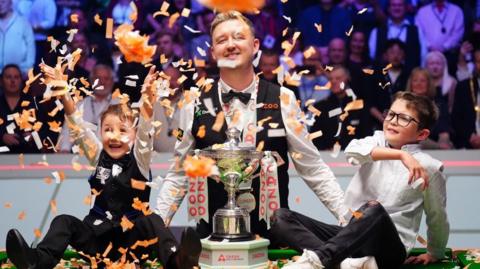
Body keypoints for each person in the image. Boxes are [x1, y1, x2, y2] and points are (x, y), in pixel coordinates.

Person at [155, 11, 348, 239]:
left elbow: (312, 167)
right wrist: (155, 226)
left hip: (273, 240)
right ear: (213, 52)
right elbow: (179, 174)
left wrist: (348, 217)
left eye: (238, 37)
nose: (230, 45)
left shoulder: (284, 98)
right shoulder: (194, 102)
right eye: (221, 40)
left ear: (255, 45)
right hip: (211, 241)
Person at [5, 67, 202, 269]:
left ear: (133, 136)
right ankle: (36, 261)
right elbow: (78, 128)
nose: (114, 136)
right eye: (108, 129)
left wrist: (148, 99)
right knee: (63, 221)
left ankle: (178, 262)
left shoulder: (140, 157)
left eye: (123, 130)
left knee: (152, 220)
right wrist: (64, 94)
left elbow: (145, 132)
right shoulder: (97, 154)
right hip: (98, 242)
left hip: (133, 244)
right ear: (99, 133)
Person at [271, 91, 449, 269]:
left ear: (422, 134)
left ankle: (320, 260)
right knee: (281, 217)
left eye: (404, 118)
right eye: (391, 114)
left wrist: (435, 252)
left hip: (389, 250)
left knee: (374, 208)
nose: (393, 120)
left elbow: (437, 216)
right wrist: (401, 155)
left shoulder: (430, 167)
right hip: (351, 237)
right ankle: (343, 264)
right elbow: (352, 152)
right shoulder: (375, 141)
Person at [59, 64, 116, 152]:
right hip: (81, 159)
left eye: (106, 78)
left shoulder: (121, 105)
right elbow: (68, 131)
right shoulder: (79, 105)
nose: (102, 82)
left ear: (112, 81)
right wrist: (64, 149)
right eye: (98, 78)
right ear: (92, 80)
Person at [369, 0, 426, 71]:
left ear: (406, 8)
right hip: (383, 78)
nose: (397, 8)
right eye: (393, 5)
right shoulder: (377, 31)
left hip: (409, 78)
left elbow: (423, 56)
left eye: (400, 5)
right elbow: (372, 56)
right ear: (388, 9)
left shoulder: (417, 31)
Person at [406, 67, 453, 149]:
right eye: (415, 80)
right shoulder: (404, 105)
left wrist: (444, 142)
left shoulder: (439, 105)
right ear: (410, 84)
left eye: (422, 81)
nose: (418, 84)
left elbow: (444, 132)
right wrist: (438, 146)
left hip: (435, 145)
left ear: (429, 84)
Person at [451, 48, 480, 149]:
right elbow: (456, 117)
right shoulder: (464, 87)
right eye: (479, 61)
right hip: (468, 144)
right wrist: (470, 136)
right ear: (474, 64)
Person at [0, 0, 35, 75]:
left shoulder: (22, 22)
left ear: (10, 3)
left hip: (18, 73)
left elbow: (30, 46)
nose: (0, 4)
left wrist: (28, 69)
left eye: (3, 1)